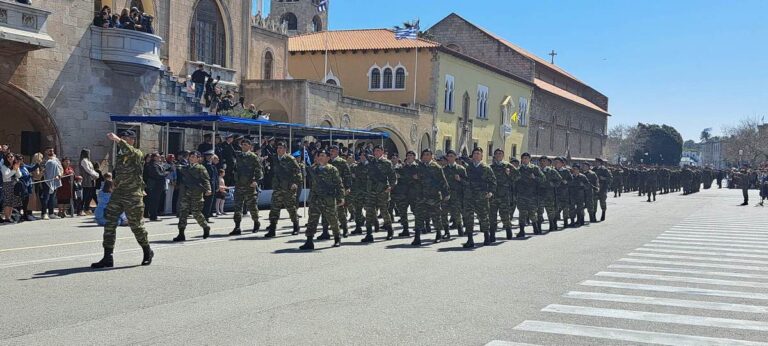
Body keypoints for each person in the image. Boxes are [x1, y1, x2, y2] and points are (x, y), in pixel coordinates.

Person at [91, 130, 154, 269]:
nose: (123, 140)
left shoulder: (137, 154)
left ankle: (147, 251)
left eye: (127, 138)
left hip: (133, 195)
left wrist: (118, 140)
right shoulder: (120, 156)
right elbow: (122, 173)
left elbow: (130, 152)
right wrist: (115, 183)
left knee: (136, 225)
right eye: (123, 137)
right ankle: (108, 257)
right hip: (118, 194)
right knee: (109, 223)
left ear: (133, 140)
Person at [300, 150, 345, 250]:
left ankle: (337, 238)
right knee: (312, 220)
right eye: (319, 155)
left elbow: (339, 184)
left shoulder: (332, 169)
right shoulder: (314, 169)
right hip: (315, 198)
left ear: (328, 158)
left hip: (328, 198)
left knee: (332, 219)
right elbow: (307, 172)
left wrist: (340, 197)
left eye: (323, 155)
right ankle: (309, 241)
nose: (320, 157)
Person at [412, 149, 449, 246]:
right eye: (424, 155)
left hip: (434, 196)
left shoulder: (436, 167)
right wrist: (415, 178)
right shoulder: (418, 167)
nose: (425, 156)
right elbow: (414, 180)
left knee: (435, 216)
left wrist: (446, 194)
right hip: (421, 196)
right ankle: (417, 237)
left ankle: (438, 234)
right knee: (419, 216)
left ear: (431, 156)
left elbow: (443, 181)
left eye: (428, 155)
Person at [173, 151, 212, 241]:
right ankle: (181, 233)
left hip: (196, 193)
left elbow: (206, 180)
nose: (191, 158)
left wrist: (208, 189)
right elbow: (179, 169)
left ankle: (205, 226)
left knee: (196, 213)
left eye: (194, 157)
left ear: (199, 158)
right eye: (191, 156)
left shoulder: (201, 168)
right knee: (183, 212)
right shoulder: (185, 167)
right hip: (185, 193)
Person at [461, 147, 496, 248]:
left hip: (482, 197)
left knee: (484, 218)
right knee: (468, 218)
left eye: (478, 153)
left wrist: (490, 192)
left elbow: (493, 182)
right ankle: (470, 239)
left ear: (481, 156)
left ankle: (486, 237)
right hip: (469, 197)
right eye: (475, 153)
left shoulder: (486, 168)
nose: (476, 155)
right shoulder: (467, 168)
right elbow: (464, 181)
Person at [361, 145, 396, 243]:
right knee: (369, 212)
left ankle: (389, 230)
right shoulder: (370, 162)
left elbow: (393, 177)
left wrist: (390, 187)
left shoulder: (387, 163)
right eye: (375, 150)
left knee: (384, 211)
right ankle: (369, 234)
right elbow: (364, 174)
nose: (376, 152)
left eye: (378, 150)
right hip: (370, 190)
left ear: (382, 152)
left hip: (382, 191)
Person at [266, 142, 302, 237]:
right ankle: (272, 228)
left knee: (291, 208)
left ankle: (296, 226)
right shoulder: (275, 158)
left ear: (285, 149)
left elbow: (298, 172)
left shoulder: (290, 159)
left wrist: (295, 183)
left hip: (288, 188)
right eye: (278, 148)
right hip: (277, 187)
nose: (279, 150)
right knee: (274, 208)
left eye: (281, 148)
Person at [229, 139, 263, 235]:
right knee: (237, 207)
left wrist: (256, 181)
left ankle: (256, 223)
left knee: (252, 206)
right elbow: (235, 169)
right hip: (239, 185)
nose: (243, 146)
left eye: (245, 145)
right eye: (242, 145)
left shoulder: (253, 157)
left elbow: (259, 171)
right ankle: (237, 227)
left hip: (249, 185)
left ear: (249, 146)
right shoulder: (238, 156)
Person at [489, 149, 515, 240]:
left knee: (504, 215)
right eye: (497, 153)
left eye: (500, 153)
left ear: (503, 155)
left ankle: (508, 230)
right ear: (494, 155)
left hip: (504, 195)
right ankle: (492, 234)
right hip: (493, 195)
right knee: (492, 216)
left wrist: (509, 174)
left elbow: (517, 176)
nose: (499, 155)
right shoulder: (490, 167)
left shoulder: (508, 166)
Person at [516, 153, 544, 236]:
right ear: (521, 159)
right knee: (522, 213)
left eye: (526, 158)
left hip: (532, 195)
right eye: (523, 158)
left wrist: (535, 177)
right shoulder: (518, 169)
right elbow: (513, 181)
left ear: (529, 159)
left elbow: (543, 179)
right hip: (521, 195)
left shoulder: (534, 168)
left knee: (532, 213)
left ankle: (536, 228)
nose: (525, 160)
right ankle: (522, 231)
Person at [441, 150, 467, 237]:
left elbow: (467, 182)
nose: (450, 158)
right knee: (443, 214)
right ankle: (446, 231)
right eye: (448, 156)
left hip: (457, 195)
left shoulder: (461, 169)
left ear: (455, 157)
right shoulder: (444, 169)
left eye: (452, 156)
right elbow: (440, 182)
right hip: (446, 195)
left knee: (456, 214)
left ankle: (460, 229)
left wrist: (460, 180)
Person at [538, 156, 563, 232]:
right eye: (541, 161)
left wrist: (553, 184)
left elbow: (559, 179)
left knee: (550, 211)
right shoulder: (537, 170)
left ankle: (552, 225)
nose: (542, 163)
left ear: (547, 162)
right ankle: (538, 227)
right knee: (539, 211)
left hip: (549, 194)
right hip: (539, 194)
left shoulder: (551, 171)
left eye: (544, 161)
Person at [144, 153, 168, 221]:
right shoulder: (152, 165)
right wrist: (165, 173)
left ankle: (154, 215)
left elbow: (166, 168)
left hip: (158, 186)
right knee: (154, 201)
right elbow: (158, 175)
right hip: (154, 186)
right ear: (154, 157)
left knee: (156, 201)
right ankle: (153, 216)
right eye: (158, 156)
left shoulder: (157, 164)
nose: (159, 158)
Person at [1, 151, 22, 223]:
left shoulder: (15, 165)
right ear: (6, 158)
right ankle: (6, 217)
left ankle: (9, 217)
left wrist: (16, 169)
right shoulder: (4, 166)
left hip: (14, 184)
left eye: (11, 157)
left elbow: (19, 175)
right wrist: (14, 170)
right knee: (7, 201)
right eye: (8, 157)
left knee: (12, 201)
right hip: (7, 184)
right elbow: (6, 176)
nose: (10, 158)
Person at [41, 148, 62, 219]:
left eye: (52, 151)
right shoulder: (44, 160)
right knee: (46, 198)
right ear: (46, 152)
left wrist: (59, 175)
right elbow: (42, 170)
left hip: (55, 180)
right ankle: (44, 213)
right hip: (46, 181)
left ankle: (51, 213)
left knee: (52, 198)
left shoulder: (56, 160)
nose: (52, 152)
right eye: (50, 151)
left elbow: (60, 168)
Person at [78, 149, 99, 215]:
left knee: (90, 195)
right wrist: (95, 174)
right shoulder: (83, 161)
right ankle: (80, 210)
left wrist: (95, 174)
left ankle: (87, 208)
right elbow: (88, 170)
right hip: (86, 180)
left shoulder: (88, 161)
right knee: (85, 195)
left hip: (91, 180)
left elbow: (92, 170)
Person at [554, 157, 573, 228]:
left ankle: (565, 222)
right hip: (555, 193)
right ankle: (554, 223)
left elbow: (571, 180)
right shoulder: (553, 171)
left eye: (558, 162)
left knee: (565, 208)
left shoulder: (566, 171)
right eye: (555, 162)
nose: (556, 164)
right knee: (556, 209)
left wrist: (567, 182)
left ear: (562, 164)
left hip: (564, 193)